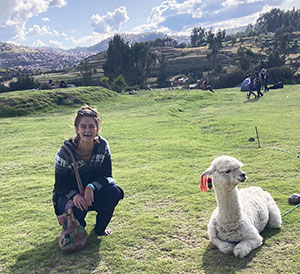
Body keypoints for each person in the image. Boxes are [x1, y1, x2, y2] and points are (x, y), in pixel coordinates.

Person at [53, 105, 124, 236]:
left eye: (91, 126)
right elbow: (60, 186)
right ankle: (76, 228)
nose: (87, 130)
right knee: (76, 212)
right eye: (83, 126)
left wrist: (91, 187)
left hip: (92, 193)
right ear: (77, 129)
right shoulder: (65, 153)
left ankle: (100, 228)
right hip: (70, 196)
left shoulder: (103, 146)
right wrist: (75, 195)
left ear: (97, 129)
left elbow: (107, 176)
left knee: (114, 191)